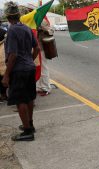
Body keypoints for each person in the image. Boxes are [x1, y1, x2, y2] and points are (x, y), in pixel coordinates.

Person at [2, 1, 40, 141]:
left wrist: (6, 75)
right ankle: (29, 124)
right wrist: (29, 60)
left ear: (7, 16)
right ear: (18, 15)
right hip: (30, 67)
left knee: (20, 100)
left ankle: (27, 132)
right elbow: (37, 48)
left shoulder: (11, 30)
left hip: (19, 70)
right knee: (29, 97)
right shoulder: (26, 28)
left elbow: (13, 55)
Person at [23, 4, 54, 96]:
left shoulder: (41, 19)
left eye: (29, 10)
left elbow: (50, 30)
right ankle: (38, 87)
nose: (28, 11)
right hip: (33, 47)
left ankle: (45, 88)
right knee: (36, 68)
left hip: (41, 47)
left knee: (43, 68)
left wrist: (40, 27)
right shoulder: (29, 19)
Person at [0, 27, 7, 103]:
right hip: (2, 55)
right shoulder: (4, 31)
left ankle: (3, 95)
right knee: (3, 75)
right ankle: (4, 94)